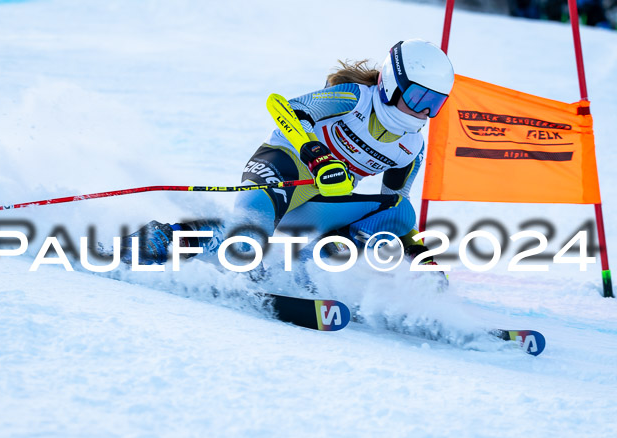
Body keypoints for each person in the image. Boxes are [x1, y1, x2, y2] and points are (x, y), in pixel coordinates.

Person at [121, 39, 454, 282]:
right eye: (417, 97)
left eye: (434, 103)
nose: (423, 111)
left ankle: (311, 266)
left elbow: (396, 207)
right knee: (245, 245)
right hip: (282, 171)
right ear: (392, 83)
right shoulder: (355, 98)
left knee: (400, 210)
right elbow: (285, 108)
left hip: (317, 205)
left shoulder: (411, 147)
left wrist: (419, 254)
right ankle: (158, 239)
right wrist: (316, 154)